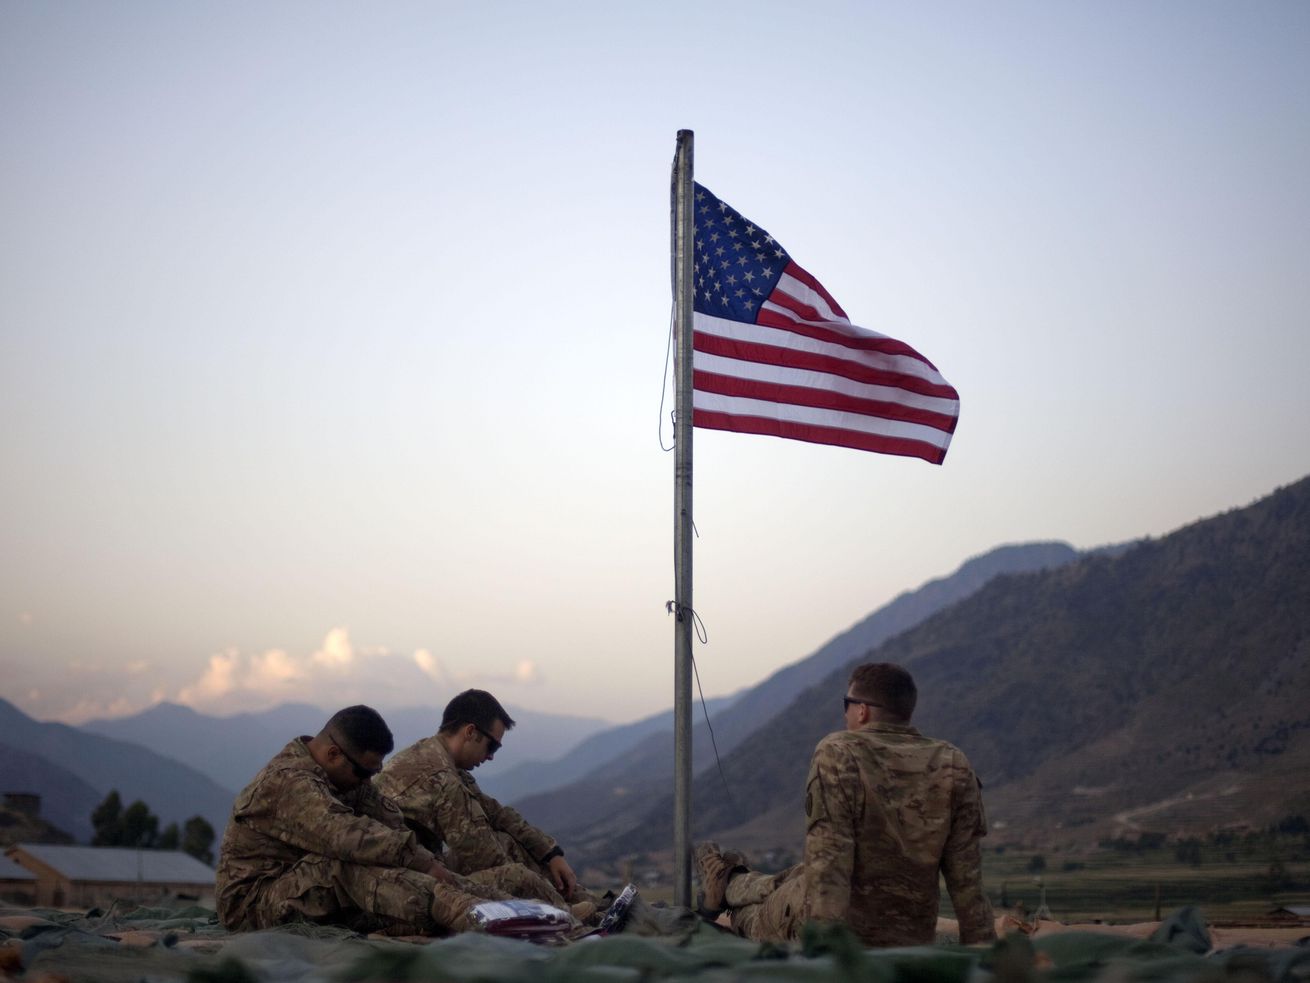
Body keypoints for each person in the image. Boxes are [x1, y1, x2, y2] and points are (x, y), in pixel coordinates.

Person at [695, 663, 996, 947]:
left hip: (841, 932)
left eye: (846, 705)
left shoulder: (839, 752)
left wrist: (828, 952)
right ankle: (732, 880)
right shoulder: (954, 762)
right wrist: (982, 952)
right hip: (911, 934)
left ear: (862, 711)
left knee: (754, 916)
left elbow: (829, 861)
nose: (845, 715)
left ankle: (728, 892)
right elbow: (966, 879)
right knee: (798, 874)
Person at [216, 704, 517, 935]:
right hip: (252, 906)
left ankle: (512, 911)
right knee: (345, 864)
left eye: (372, 774)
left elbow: (387, 821)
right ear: (334, 753)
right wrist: (419, 862)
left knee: (406, 868)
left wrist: (433, 867)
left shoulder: (348, 779)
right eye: (363, 773)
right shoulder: (287, 782)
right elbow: (347, 836)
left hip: (304, 891)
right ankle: (484, 921)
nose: (366, 782)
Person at [377, 689, 600, 916]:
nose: (491, 756)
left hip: (419, 869)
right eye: (491, 746)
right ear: (471, 732)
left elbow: (497, 814)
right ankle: (570, 918)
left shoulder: (436, 758)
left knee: (507, 842)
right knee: (516, 876)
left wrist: (551, 853)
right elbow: (486, 858)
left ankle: (590, 905)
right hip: (402, 889)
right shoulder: (441, 779)